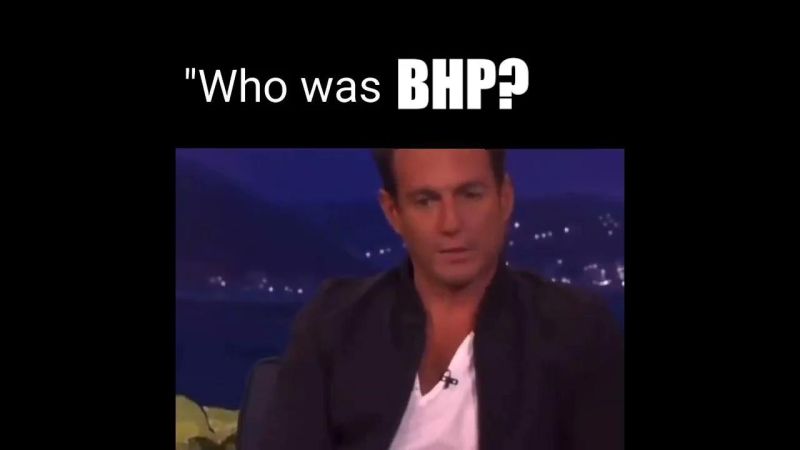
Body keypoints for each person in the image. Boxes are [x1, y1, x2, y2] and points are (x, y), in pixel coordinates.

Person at [259, 149, 623, 450]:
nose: (451, 223)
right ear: (393, 212)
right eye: (426, 201)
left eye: (470, 195)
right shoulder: (334, 322)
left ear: (505, 197)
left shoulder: (576, 329)